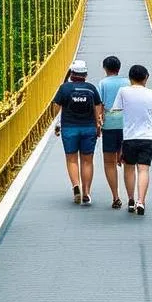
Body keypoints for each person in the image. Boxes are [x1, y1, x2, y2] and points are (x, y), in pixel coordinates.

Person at [112, 64, 152, 216]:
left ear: (130, 78)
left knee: (129, 168)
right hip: (146, 138)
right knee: (143, 169)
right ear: (146, 78)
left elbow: (116, 113)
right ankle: (141, 201)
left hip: (129, 138)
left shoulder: (123, 91)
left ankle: (130, 200)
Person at [52, 60, 103, 205]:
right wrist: (98, 125)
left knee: (72, 159)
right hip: (88, 129)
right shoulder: (91, 89)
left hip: (69, 129)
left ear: (72, 74)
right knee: (87, 161)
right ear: (85, 74)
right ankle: (86, 193)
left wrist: (56, 122)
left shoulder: (64, 88)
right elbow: (98, 107)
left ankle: (76, 186)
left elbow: (55, 107)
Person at [97, 56, 130, 209]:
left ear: (105, 68)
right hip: (126, 125)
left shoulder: (103, 83)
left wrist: (98, 125)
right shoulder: (127, 83)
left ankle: (116, 197)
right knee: (128, 163)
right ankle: (132, 197)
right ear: (119, 68)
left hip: (109, 125)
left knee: (109, 163)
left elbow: (100, 106)